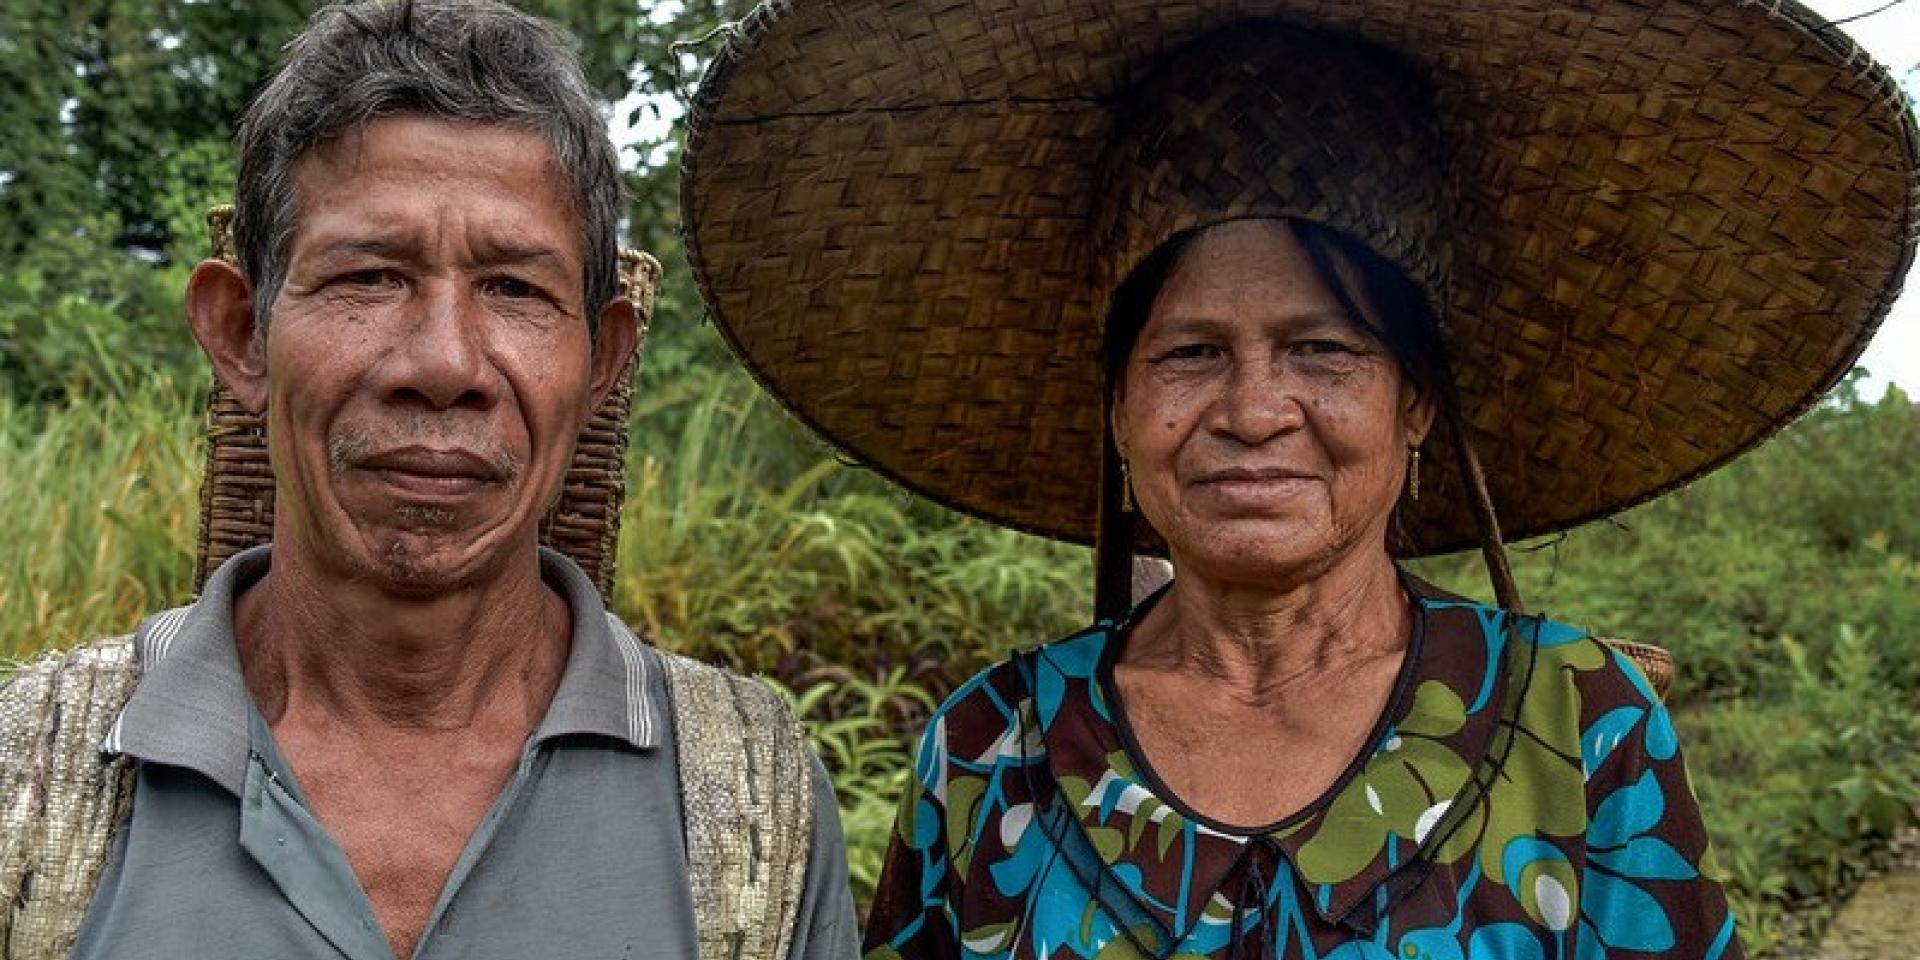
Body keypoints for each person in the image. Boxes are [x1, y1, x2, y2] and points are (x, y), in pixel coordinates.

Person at [680, 0, 1918, 957]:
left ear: (1415, 403)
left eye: (1322, 349)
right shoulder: (985, 753)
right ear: (1120, 410)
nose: (1255, 411)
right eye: (1191, 354)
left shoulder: (1585, 728)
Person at [0, 2, 860, 958]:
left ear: (603, 363)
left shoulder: (752, 801)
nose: (445, 363)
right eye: (369, 276)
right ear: (242, 335)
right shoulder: (26, 784)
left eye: (515, 289)